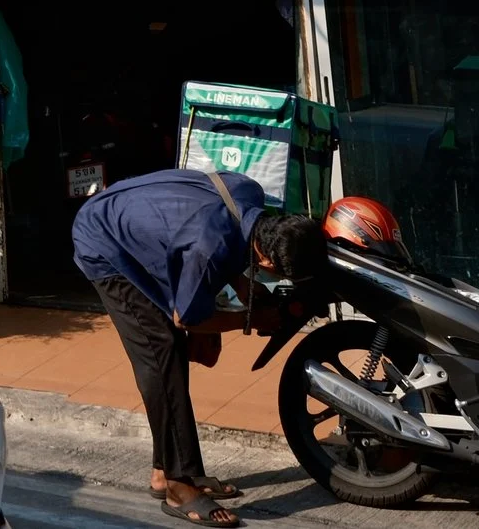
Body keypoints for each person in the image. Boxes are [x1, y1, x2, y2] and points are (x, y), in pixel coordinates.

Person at [71, 168, 325, 526]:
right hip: (105, 244)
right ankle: (178, 488)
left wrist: (240, 284)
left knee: (171, 354)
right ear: (267, 261)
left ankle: (165, 471)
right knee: (161, 353)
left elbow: (224, 233)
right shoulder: (210, 248)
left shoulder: (248, 193)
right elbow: (186, 319)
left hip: (134, 220)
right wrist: (250, 320)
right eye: (279, 275)